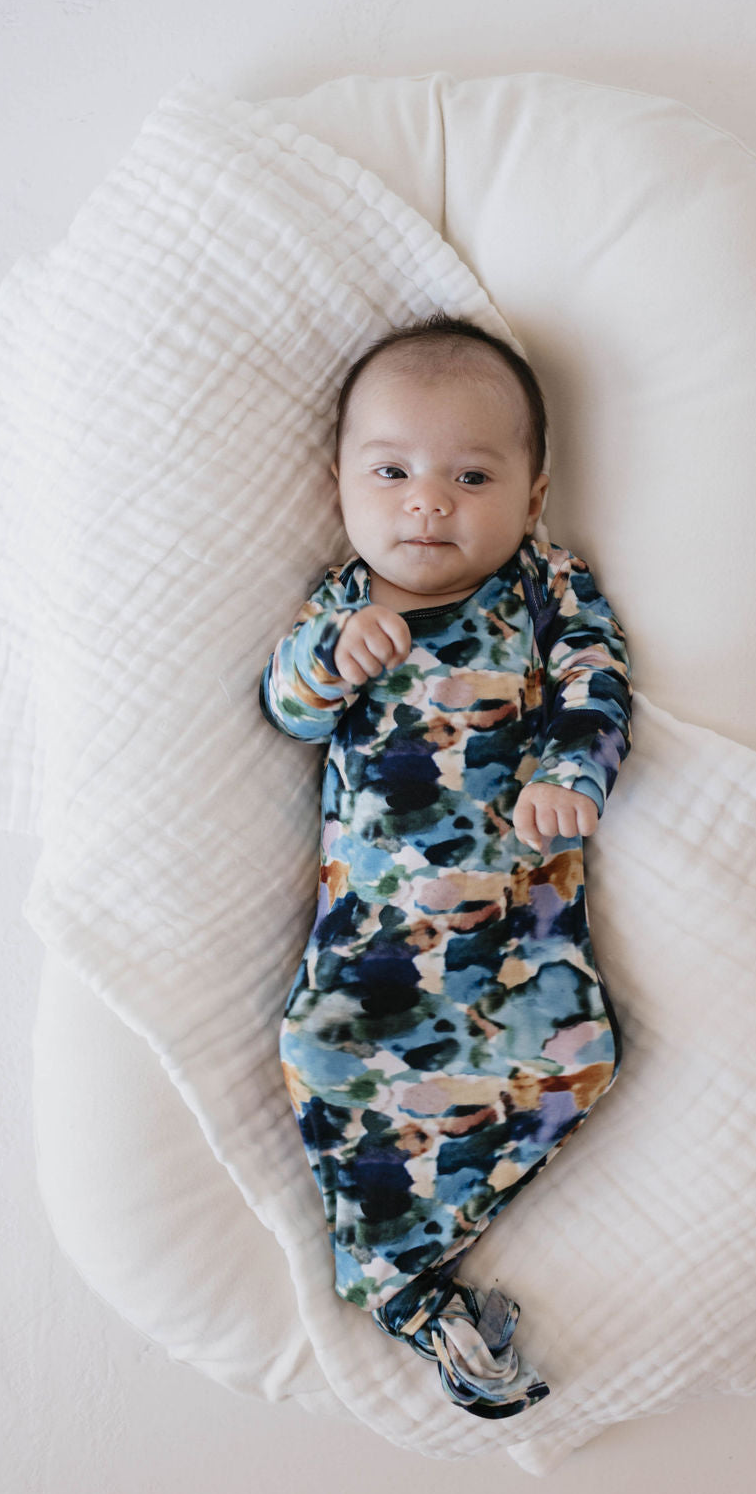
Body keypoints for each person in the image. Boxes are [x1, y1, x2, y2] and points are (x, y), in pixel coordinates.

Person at [260, 313, 632, 1418]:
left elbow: (598, 680)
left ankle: (423, 1251)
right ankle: (405, 1276)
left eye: (472, 473)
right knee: (320, 1060)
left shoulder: (542, 588)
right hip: (374, 945)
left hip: (518, 935)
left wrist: (572, 769)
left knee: (575, 1056)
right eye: (394, 471)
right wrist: (328, 665)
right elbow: (283, 705)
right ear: (341, 484)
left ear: (532, 491)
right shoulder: (345, 603)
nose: (429, 500)